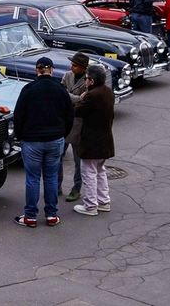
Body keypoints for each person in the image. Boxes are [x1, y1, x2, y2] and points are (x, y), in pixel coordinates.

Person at [12, 56, 74, 228]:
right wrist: (63, 134)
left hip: (32, 140)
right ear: (51, 70)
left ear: (36, 70)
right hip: (55, 139)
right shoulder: (60, 89)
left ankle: (30, 216)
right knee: (51, 177)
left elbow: (18, 116)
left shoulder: (28, 89)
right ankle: (51, 215)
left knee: (32, 179)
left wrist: (20, 136)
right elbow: (70, 116)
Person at [73, 63, 115, 216]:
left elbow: (78, 111)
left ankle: (90, 205)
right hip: (105, 139)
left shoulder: (92, 95)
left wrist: (81, 98)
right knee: (100, 171)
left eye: (86, 78)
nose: (85, 81)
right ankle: (104, 201)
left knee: (88, 173)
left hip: (91, 141)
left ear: (92, 80)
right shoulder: (108, 92)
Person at [60, 52, 89, 204]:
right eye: (71, 64)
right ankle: (57, 186)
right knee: (57, 157)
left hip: (79, 124)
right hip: (64, 122)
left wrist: (70, 97)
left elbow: (87, 101)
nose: (72, 67)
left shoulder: (88, 80)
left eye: (75, 66)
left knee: (79, 161)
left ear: (84, 68)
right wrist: (78, 98)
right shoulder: (67, 75)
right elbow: (62, 95)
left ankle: (76, 189)